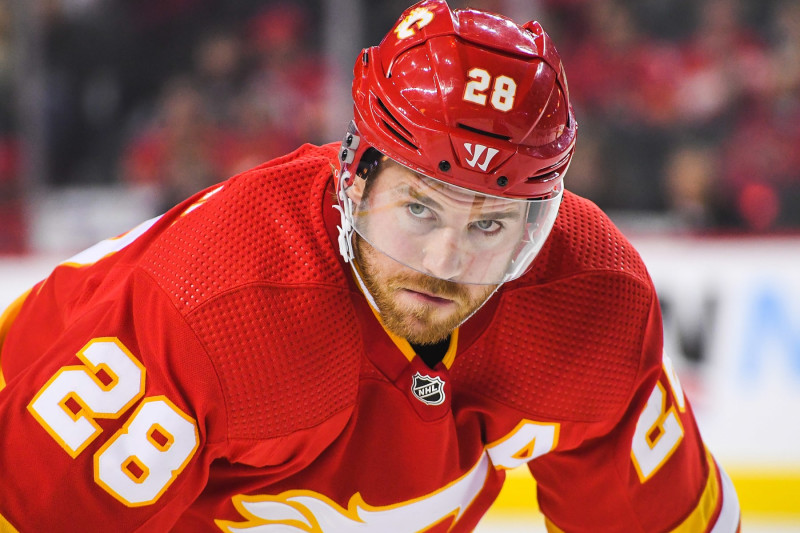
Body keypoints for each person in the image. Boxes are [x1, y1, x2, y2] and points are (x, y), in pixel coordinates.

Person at [0, 1, 740, 531]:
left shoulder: (589, 297)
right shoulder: (218, 306)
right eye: (419, 208)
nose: (446, 261)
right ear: (356, 176)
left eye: (489, 222)